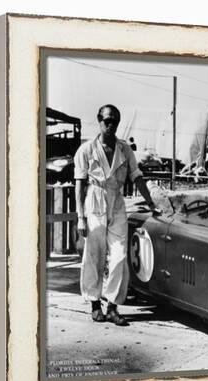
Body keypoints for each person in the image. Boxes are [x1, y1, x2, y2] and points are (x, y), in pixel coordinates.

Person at [74, 104, 159, 326]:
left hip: (117, 202)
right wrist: (80, 216)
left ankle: (112, 305)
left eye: (114, 122)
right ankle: (94, 303)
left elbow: (137, 177)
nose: (110, 125)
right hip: (94, 200)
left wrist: (151, 203)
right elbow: (79, 185)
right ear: (99, 120)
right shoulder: (86, 150)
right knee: (94, 255)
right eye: (107, 121)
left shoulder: (124, 149)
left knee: (120, 256)